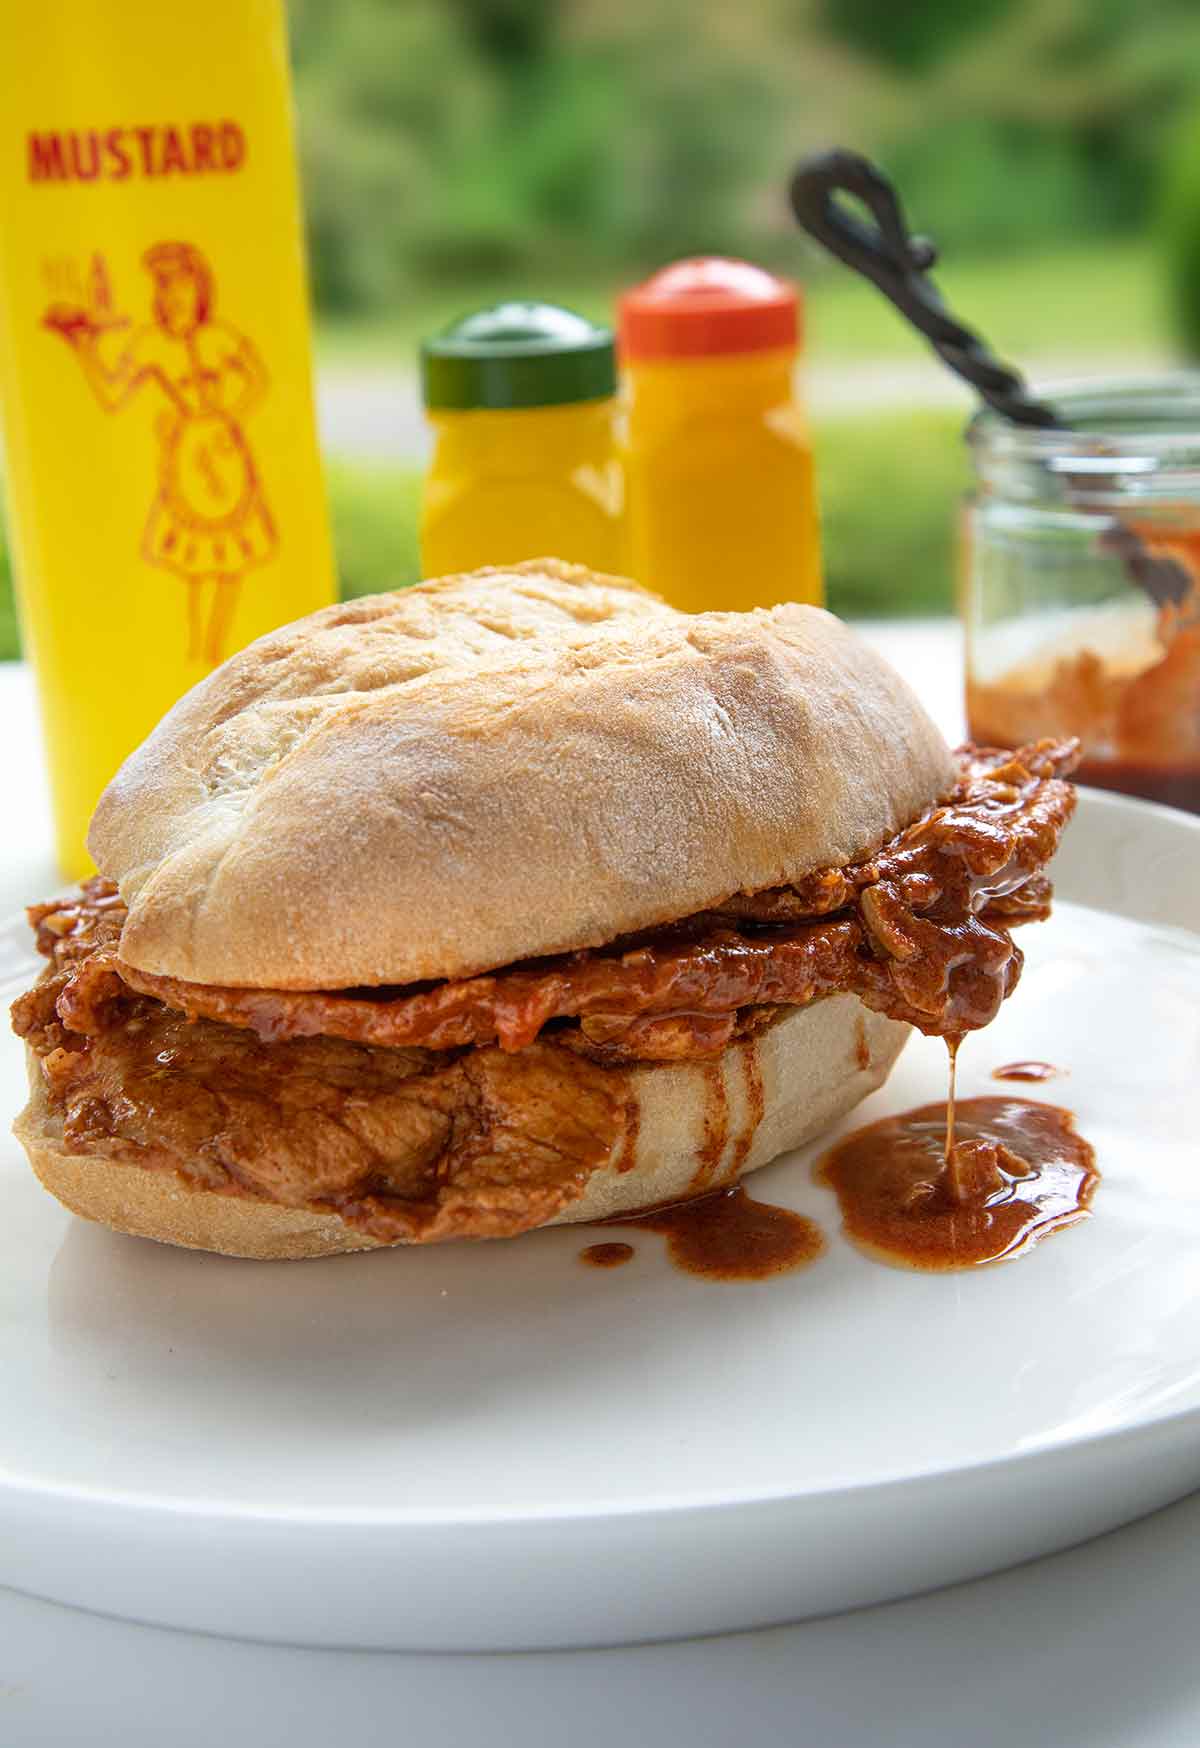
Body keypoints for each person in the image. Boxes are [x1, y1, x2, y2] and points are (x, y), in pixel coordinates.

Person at [44, 241, 277, 666]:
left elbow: (257, 379)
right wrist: (83, 347)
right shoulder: (151, 344)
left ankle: (223, 655)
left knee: (231, 562)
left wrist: (231, 417)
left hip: (225, 454)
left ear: (199, 290)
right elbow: (113, 394)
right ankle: (199, 654)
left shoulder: (219, 337)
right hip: (187, 456)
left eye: (182, 287)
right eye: (165, 288)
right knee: (195, 567)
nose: (174, 298)